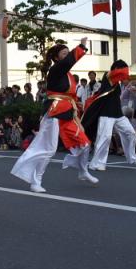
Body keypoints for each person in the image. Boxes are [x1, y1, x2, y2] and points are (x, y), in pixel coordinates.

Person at [11, 38, 97, 192]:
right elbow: (67, 63)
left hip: (67, 112)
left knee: (85, 144)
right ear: (57, 58)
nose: (68, 55)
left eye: (68, 53)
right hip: (55, 112)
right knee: (49, 148)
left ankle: (83, 171)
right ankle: (35, 181)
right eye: (65, 53)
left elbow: (70, 94)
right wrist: (82, 47)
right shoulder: (56, 69)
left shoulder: (67, 74)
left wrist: (76, 113)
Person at [82, 60, 136, 171]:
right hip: (106, 114)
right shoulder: (108, 76)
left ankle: (132, 158)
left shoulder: (118, 83)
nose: (125, 76)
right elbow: (116, 74)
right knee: (105, 138)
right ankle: (97, 163)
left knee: (131, 133)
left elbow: (124, 81)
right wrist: (129, 69)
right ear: (117, 70)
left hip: (118, 114)